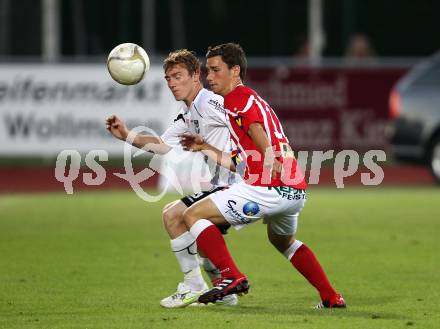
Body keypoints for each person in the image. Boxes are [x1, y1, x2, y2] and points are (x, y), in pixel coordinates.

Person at [179, 43, 346, 308]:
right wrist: (205, 147)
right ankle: (331, 297)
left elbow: (257, 130)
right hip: (294, 189)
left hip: (268, 185)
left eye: (215, 70)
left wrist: (269, 157)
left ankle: (230, 275)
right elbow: (241, 161)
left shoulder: (235, 98)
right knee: (282, 241)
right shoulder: (254, 99)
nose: (209, 77)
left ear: (235, 70)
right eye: (207, 71)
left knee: (191, 215)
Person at [105, 49, 239, 308]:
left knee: (173, 214)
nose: (172, 83)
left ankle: (193, 285)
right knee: (201, 240)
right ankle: (227, 293)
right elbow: (162, 145)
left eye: (178, 76)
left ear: (195, 75)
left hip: (238, 183)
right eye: (168, 78)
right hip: (224, 185)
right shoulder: (188, 113)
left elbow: (243, 120)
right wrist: (126, 135)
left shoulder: (210, 103)